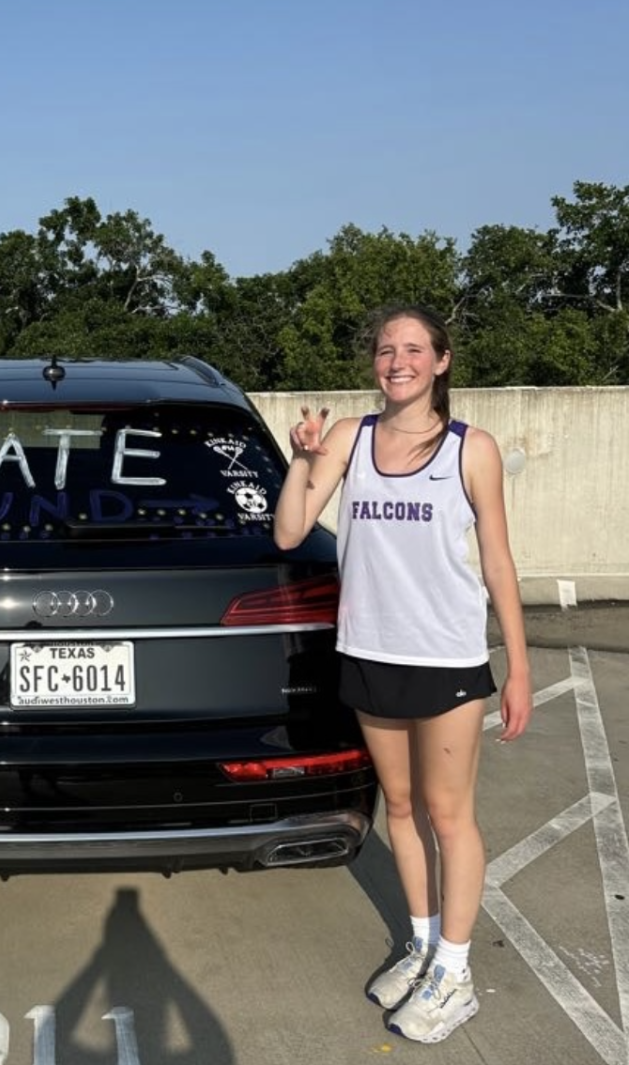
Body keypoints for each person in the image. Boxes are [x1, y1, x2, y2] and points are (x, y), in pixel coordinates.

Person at [273, 304, 532, 1044]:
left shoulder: (470, 449)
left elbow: (499, 563)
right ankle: (421, 945)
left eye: (414, 348)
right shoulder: (350, 437)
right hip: (369, 648)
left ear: (441, 361)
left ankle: (456, 972)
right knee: (402, 805)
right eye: (387, 349)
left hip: (446, 656)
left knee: (450, 815)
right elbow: (291, 530)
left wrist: (517, 664)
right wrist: (301, 456)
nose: (398, 361)